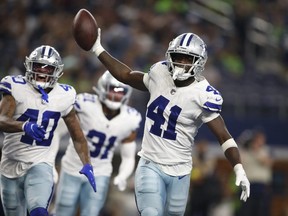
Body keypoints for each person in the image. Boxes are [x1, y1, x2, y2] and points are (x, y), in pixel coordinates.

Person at [90, 29, 250, 216]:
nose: (181, 62)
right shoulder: (159, 73)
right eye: (178, 56)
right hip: (150, 164)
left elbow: (224, 136)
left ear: (199, 62)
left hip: (180, 172)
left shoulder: (203, 94)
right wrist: (98, 49)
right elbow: (125, 75)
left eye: (187, 59)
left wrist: (239, 169)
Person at [0, 45, 96, 216]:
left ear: (57, 71)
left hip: (41, 163)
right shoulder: (15, 86)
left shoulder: (64, 95)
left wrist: (87, 163)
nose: (43, 72)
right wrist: (24, 126)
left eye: (48, 68)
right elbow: (1, 120)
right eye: (38, 66)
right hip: (10, 163)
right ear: (29, 65)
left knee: (39, 212)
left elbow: (78, 136)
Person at [54, 71, 142, 216]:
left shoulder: (131, 118)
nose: (116, 95)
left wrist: (122, 175)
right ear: (102, 87)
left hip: (101, 171)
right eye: (112, 89)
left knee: (91, 212)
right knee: (63, 210)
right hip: (73, 166)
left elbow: (128, 157)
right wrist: (49, 161)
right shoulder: (84, 104)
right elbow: (57, 132)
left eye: (120, 92)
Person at [236, 129, 273, 216]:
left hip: (262, 186)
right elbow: (238, 162)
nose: (260, 141)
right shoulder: (245, 151)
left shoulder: (266, 150)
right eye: (258, 139)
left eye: (261, 139)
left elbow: (266, 162)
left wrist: (256, 151)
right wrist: (243, 145)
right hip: (247, 185)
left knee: (261, 211)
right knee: (246, 210)